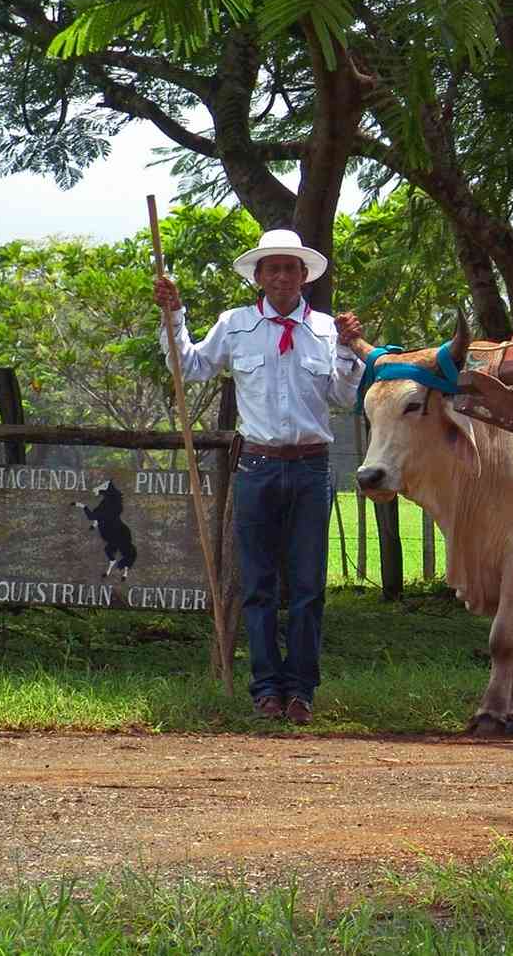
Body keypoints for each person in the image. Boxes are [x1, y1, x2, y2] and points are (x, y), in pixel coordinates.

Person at [154, 228, 366, 724]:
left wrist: (350, 352)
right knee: (258, 584)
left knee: (310, 584)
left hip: (313, 467)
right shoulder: (236, 325)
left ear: (303, 276)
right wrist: (174, 315)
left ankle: (302, 692)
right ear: (259, 276)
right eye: (272, 267)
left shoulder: (328, 330)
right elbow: (189, 367)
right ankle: (265, 689)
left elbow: (344, 398)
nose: (281, 276)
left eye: (290, 268)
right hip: (258, 466)